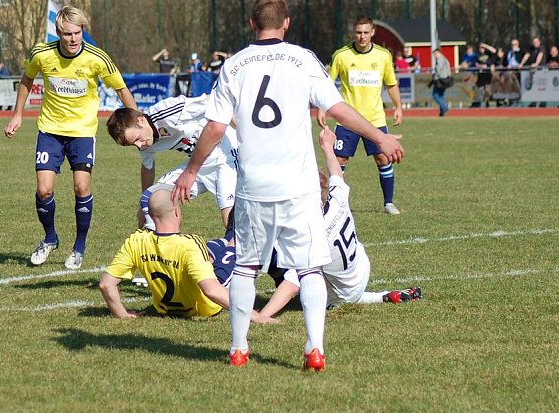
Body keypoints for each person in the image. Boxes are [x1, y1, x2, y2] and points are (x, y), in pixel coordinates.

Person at [172, 0, 404, 371]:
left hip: (253, 186)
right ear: (287, 24)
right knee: (310, 268)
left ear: (252, 24)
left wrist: (190, 170)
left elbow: (215, 127)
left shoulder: (233, 64)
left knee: (247, 268)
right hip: (299, 185)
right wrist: (381, 137)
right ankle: (314, 349)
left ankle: (238, 348)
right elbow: (338, 108)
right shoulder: (302, 58)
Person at [4, 6, 137, 270]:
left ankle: (79, 247)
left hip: (83, 133)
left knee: (81, 188)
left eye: (78, 32)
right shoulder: (42, 54)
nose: (74, 38)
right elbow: (27, 79)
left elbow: (122, 89)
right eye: (68, 34)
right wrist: (17, 114)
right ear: (58, 33)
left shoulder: (97, 58)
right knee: (44, 189)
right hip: (50, 131)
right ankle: (50, 239)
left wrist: (136, 123)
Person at [258, 127, 421, 319]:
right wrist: (327, 147)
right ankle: (376, 297)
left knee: (277, 251)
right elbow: (336, 174)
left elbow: (292, 285)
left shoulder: (311, 232)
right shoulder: (336, 198)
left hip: (338, 291)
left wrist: (263, 315)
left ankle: (341, 301)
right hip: (360, 269)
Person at [98, 186, 276, 323]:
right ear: (176, 211)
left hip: (164, 308)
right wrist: (254, 316)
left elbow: (106, 284)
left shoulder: (135, 241)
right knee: (238, 245)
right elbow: (212, 290)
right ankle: (237, 233)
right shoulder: (189, 243)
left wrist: (121, 314)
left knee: (216, 245)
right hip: (206, 307)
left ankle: (229, 236)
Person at [106, 94, 237, 229]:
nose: (139, 146)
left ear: (141, 120)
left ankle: (240, 248)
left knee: (230, 218)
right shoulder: (144, 143)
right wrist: (144, 205)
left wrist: (244, 131)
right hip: (196, 166)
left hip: (226, 157)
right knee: (151, 199)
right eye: (133, 144)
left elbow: (218, 100)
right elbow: (147, 167)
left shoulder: (168, 112)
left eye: (137, 139)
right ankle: (164, 247)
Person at [317, 15, 403, 215]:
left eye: (366, 32)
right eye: (358, 32)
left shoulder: (383, 56)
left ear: (373, 32)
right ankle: (337, 205)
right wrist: (322, 107)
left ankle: (388, 203)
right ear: (353, 32)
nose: (362, 36)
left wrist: (398, 106)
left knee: (383, 159)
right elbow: (327, 83)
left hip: (375, 119)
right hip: (347, 120)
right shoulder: (341, 55)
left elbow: (391, 84)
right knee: (339, 160)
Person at [431, 48, 452, 116]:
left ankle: (444, 107)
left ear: (439, 53)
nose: (435, 56)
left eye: (435, 54)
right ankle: (442, 112)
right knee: (441, 95)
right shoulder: (445, 59)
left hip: (440, 80)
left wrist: (434, 79)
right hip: (446, 80)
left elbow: (438, 70)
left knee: (435, 95)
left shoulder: (440, 60)